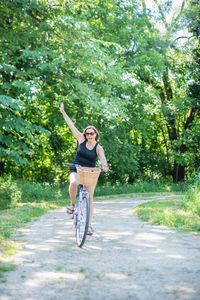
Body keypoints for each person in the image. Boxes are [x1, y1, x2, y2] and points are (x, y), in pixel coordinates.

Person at [60, 102, 109, 235]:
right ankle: (72, 204)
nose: (89, 135)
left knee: (90, 199)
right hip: (76, 168)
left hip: (90, 172)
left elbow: (103, 160)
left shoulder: (99, 148)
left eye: (91, 133)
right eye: (87, 133)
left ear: (95, 134)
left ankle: (88, 226)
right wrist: (63, 112)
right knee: (74, 183)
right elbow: (71, 125)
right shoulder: (81, 140)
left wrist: (104, 167)